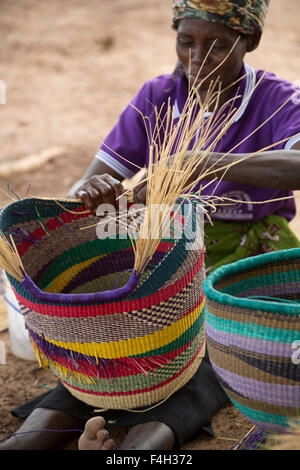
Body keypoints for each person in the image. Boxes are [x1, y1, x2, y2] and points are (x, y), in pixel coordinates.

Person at [2, 0, 300, 451]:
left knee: (204, 355)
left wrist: (204, 162)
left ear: (250, 41)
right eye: (186, 41)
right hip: (165, 252)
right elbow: (87, 181)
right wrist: (93, 190)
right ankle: (51, 425)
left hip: (239, 262)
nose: (198, 57)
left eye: (217, 44)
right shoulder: (159, 96)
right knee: (121, 339)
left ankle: (135, 451)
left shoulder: (277, 99)